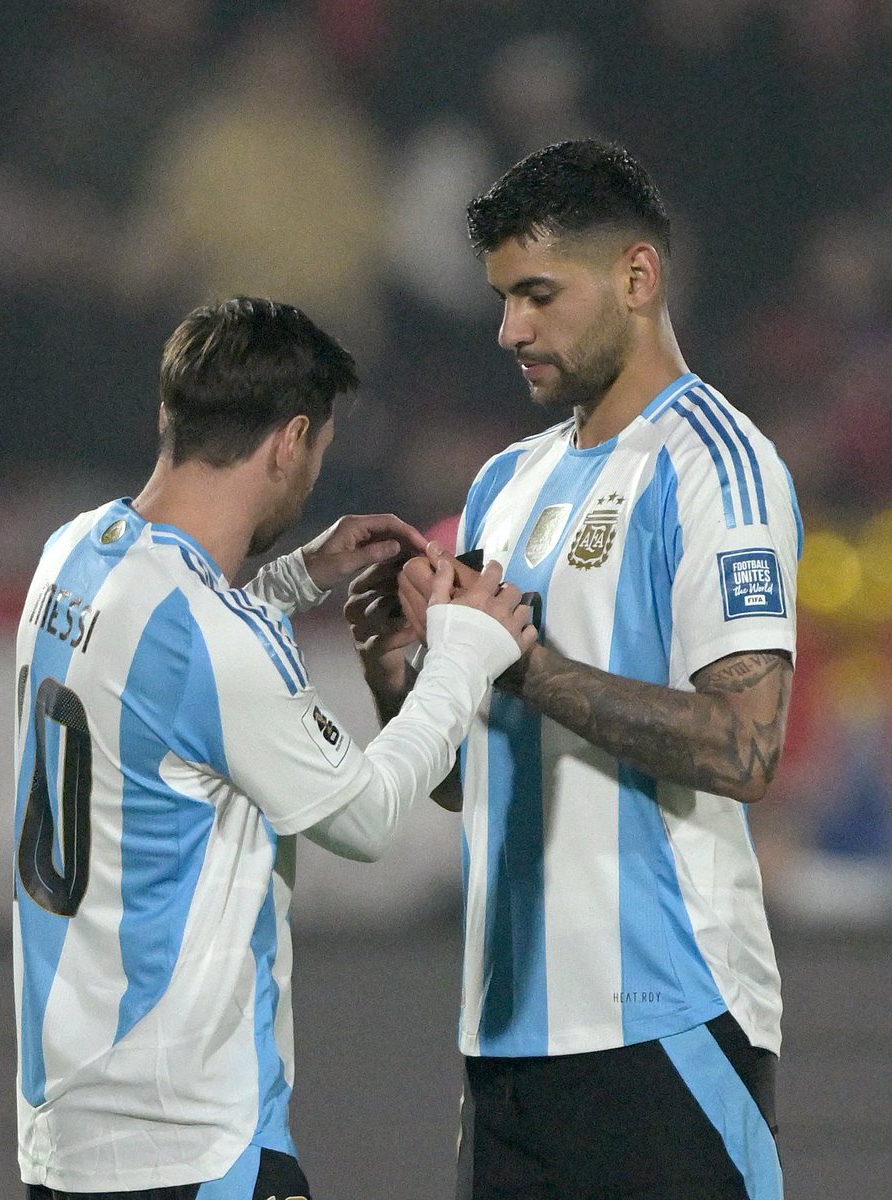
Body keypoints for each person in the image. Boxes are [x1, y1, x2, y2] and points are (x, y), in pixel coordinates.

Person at [346, 140, 801, 1200]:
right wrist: (402, 672)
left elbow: (745, 747)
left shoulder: (714, 466)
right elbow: (478, 780)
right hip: (507, 1042)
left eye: (539, 295)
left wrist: (526, 666)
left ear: (638, 278)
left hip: (663, 1023)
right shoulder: (508, 482)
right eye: (504, 299)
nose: (511, 329)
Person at [12, 296, 535, 1200]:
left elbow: (165, 668)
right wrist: (465, 651)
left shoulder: (73, 552)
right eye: (319, 451)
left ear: (169, 415)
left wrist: (294, 576)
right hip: (190, 1144)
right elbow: (365, 817)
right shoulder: (216, 641)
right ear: (291, 440)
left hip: (64, 1139)